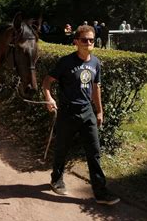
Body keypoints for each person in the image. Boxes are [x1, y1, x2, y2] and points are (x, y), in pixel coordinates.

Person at [42, 24, 120, 205]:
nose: (89, 43)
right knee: (62, 147)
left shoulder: (96, 63)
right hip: (68, 112)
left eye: (92, 40)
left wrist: (99, 110)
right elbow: (47, 81)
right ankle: (56, 179)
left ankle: (100, 192)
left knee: (94, 152)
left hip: (87, 113)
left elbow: (96, 88)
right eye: (85, 40)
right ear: (76, 42)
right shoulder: (66, 62)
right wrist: (49, 98)